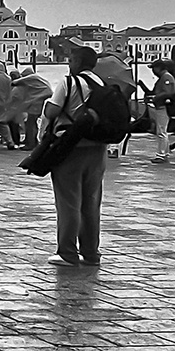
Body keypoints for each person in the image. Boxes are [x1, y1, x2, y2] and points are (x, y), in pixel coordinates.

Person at [41, 46, 108, 266]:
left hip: (71, 147)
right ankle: (91, 253)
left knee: (69, 201)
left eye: (71, 60)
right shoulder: (101, 84)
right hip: (97, 149)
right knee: (91, 201)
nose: (69, 64)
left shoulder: (69, 83)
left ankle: (67, 253)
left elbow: (52, 111)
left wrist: (48, 105)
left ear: (77, 62)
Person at [145, 60, 175, 165]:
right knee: (162, 130)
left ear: (159, 68)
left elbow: (168, 92)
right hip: (161, 105)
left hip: (163, 106)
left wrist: (155, 97)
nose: (153, 71)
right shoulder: (164, 78)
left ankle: (161, 154)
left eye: (154, 68)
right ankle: (165, 152)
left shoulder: (166, 78)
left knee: (161, 131)